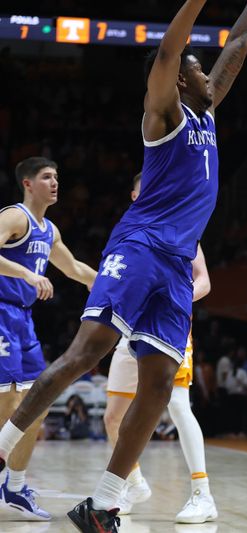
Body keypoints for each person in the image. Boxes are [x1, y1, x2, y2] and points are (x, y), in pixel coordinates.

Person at [0, 1, 247, 530]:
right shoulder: (161, 114)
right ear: (176, 81)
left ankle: (102, 503)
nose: (205, 73)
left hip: (175, 263)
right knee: (87, 351)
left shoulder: (204, 111)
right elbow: (170, 50)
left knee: (161, 384)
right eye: (195, 69)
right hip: (141, 245)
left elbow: (237, 48)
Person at [102, 171, 215, 523]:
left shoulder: (183, 228)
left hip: (167, 327)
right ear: (135, 195)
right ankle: (134, 484)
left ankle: (202, 494)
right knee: (112, 416)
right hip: (129, 332)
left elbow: (203, 281)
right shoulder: (128, 232)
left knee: (179, 406)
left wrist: (176, 299)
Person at [0, 156, 97, 520]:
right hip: (1, 313)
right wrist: (27, 275)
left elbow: (74, 269)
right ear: (27, 183)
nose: (55, 182)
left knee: (38, 403)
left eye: (57, 176)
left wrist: (108, 285)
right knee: (9, 405)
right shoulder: (14, 217)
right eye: (46, 177)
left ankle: (15, 485)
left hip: (23, 321)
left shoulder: (48, 230)